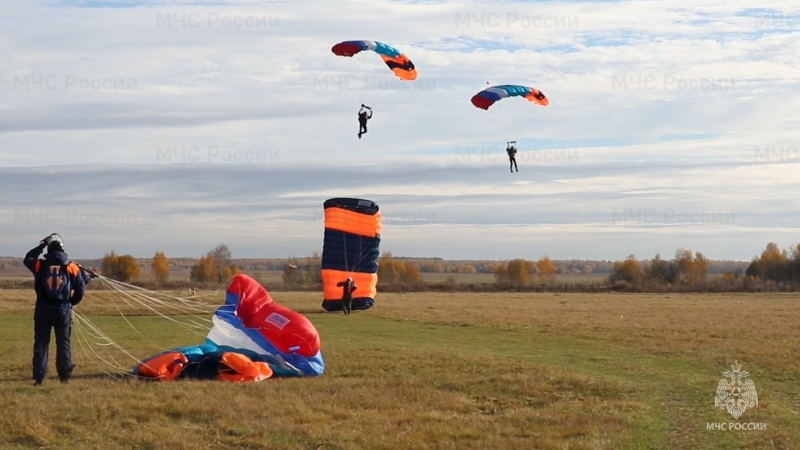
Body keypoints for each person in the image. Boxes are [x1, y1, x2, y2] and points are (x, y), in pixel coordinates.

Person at [23, 234, 86, 386]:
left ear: (49, 250)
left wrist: (41, 244)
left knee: (41, 343)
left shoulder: (40, 265)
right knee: (63, 342)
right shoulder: (72, 267)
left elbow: (28, 259)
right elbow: (80, 289)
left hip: (43, 309)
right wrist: (71, 302)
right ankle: (64, 376)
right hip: (62, 311)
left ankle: (39, 377)